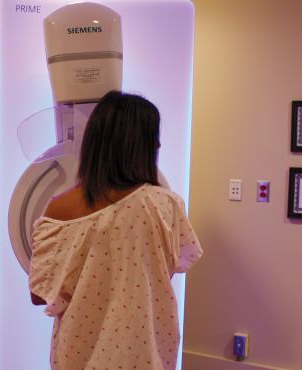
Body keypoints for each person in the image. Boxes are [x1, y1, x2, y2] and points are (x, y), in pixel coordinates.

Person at [28, 90, 203, 370]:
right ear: (144, 146)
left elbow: (40, 294)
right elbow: (163, 272)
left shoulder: (58, 209)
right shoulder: (165, 205)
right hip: (143, 353)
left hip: (79, 354)